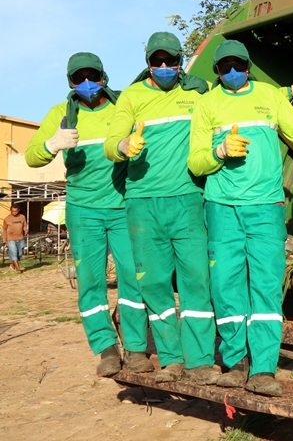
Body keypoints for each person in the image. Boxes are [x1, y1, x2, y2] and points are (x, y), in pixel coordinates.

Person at [188, 39, 293, 397]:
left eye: (237, 65)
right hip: (221, 208)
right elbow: (196, 162)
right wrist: (218, 151)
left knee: (265, 286)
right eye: (224, 67)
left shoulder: (271, 97)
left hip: (266, 208)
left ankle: (263, 369)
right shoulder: (207, 104)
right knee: (226, 287)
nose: (231, 72)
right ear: (217, 72)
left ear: (248, 66)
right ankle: (235, 364)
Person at [24, 52, 153, 376]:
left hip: (123, 207)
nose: (86, 83)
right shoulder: (61, 114)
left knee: (133, 280)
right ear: (70, 82)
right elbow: (31, 157)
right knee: (90, 283)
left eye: (92, 76)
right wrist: (52, 144)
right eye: (77, 78)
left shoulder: (123, 106)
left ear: (103, 77)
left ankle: (137, 349)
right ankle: (106, 349)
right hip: (83, 211)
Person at [104, 32, 219, 385]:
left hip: (188, 200)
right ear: (148, 63)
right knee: (153, 283)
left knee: (196, 281)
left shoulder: (198, 93)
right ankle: (171, 357)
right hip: (142, 204)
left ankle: (200, 360)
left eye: (170, 60)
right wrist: (123, 145)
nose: (165, 67)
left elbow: (237, 101)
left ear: (181, 61)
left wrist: (287, 92)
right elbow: (110, 144)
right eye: (158, 61)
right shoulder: (132, 96)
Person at [2, 205, 27, 274]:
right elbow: (4, 230)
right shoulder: (7, 219)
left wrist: (25, 230)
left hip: (20, 238)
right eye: (13, 211)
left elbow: (24, 225)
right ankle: (18, 269)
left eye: (16, 211)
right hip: (11, 239)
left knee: (19, 254)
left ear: (18, 210)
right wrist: (5, 240)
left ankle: (12, 265)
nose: (14, 213)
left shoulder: (22, 217)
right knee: (14, 253)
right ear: (10, 210)